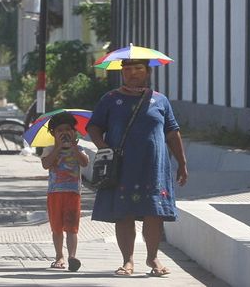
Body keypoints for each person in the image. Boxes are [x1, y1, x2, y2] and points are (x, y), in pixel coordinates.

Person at [86, 59, 188, 277]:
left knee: (154, 212)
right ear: (122, 72)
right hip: (122, 166)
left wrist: (182, 162)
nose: (133, 73)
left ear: (148, 72)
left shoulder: (160, 100)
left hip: (154, 167)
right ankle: (128, 261)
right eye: (128, 69)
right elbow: (93, 127)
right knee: (124, 213)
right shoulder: (111, 99)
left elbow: (172, 131)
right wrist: (104, 148)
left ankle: (153, 258)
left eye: (138, 69)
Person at [41, 112, 89, 272]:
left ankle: (72, 257)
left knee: (72, 227)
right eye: (59, 130)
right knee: (57, 228)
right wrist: (58, 148)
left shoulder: (78, 149)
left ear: (74, 132)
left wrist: (74, 148)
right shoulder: (49, 149)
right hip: (54, 194)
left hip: (73, 193)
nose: (64, 132)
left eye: (68, 129)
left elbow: (84, 162)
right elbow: (46, 164)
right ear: (53, 133)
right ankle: (59, 256)